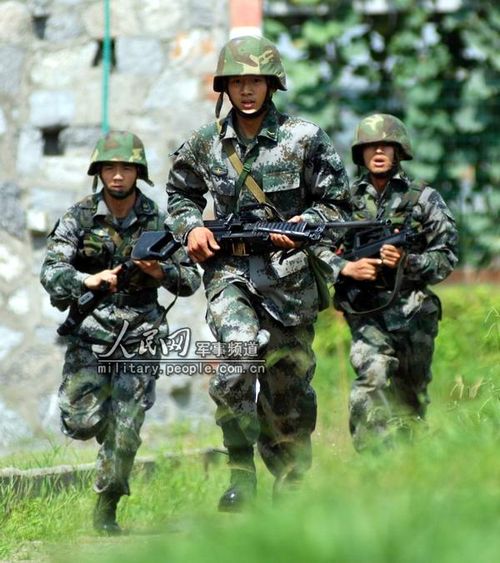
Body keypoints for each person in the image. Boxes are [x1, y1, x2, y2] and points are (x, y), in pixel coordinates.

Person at [166, 35, 351, 510]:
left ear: (272, 85)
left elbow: (337, 204)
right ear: (225, 87)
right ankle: (240, 473)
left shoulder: (304, 138)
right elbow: (180, 195)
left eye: (255, 81)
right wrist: (191, 228)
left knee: (287, 386)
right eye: (237, 82)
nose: (246, 90)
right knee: (237, 358)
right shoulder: (205, 143)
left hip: (288, 276)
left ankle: (291, 481)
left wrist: (306, 223)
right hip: (230, 271)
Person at [40, 131, 200, 534]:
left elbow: (190, 279)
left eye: (125, 168)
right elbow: (51, 272)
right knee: (80, 421)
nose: (117, 175)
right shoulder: (79, 217)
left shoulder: (158, 221)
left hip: (140, 334)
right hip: (91, 334)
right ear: (98, 172)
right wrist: (86, 280)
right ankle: (102, 425)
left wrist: (159, 272)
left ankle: (107, 505)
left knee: (127, 425)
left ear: (137, 173)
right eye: (109, 167)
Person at [330, 113, 458, 452]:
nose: (378, 152)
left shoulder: (424, 199)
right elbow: (318, 251)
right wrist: (347, 268)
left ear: (399, 150)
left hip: (413, 313)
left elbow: (446, 257)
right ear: (360, 153)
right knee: (371, 379)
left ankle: (406, 467)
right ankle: (371, 463)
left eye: (385, 145)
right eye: (370, 146)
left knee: (410, 401)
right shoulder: (344, 202)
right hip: (366, 312)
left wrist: (408, 262)